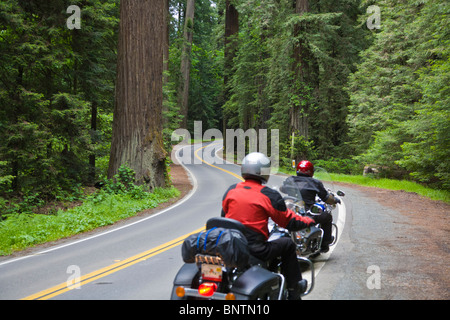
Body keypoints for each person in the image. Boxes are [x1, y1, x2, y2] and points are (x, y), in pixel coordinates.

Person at [221, 152, 316, 300]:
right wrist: (308, 220)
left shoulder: (231, 190)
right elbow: (288, 221)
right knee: (287, 244)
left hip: (228, 245)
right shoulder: (268, 194)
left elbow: (224, 216)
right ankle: (294, 291)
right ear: (264, 172)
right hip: (255, 249)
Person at [282, 160, 340, 253]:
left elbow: (283, 189)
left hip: (291, 212)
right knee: (327, 216)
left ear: (297, 170)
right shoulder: (315, 182)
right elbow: (325, 198)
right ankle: (325, 245)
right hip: (306, 214)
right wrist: (334, 200)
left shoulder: (290, 180)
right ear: (311, 172)